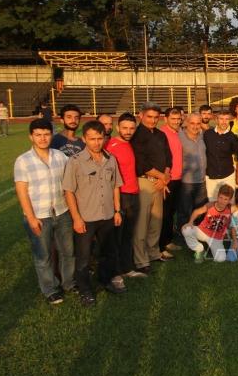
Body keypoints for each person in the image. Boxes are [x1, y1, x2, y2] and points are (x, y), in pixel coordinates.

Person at [14, 118, 75, 305]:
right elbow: (22, 192)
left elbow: (68, 185)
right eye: (38, 135)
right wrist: (31, 218)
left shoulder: (60, 157)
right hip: (39, 215)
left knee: (68, 252)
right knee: (44, 255)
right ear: (31, 137)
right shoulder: (23, 161)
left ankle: (69, 283)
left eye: (46, 134)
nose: (43, 138)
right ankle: (50, 289)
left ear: (52, 135)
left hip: (62, 211)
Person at [63, 120, 123, 306]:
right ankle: (85, 290)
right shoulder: (75, 162)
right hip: (86, 218)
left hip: (107, 215)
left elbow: (115, 186)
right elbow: (69, 191)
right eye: (92, 139)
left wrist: (117, 210)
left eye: (100, 138)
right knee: (83, 258)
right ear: (84, 139)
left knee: (108, 253)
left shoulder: (110, 159)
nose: (97, 142)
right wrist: (76, 218)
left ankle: (105, 281)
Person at [130, 101, 171, 275]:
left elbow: (169, 157)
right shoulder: (137, 135)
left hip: (161, 183)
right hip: (145, 182)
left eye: (156, 117)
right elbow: (141, 164)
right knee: (142, 224)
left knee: (156, 221)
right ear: (141, 116)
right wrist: (162, 177)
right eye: (149, 117)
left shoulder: (160, 135)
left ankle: (153, 252)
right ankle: (140, 260)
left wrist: (165, 177)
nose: (153, 120)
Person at [105, 113, 143, 281]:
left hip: (134, 193)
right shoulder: (111, 146)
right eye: (125, 128)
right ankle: (114, 272)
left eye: (131, 128)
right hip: (121, 196)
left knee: (128, 234)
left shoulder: (129, 144)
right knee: (116, 237)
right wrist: (115, 204)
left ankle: (127, 267)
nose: (128, 131)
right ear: (117, 128)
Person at [182, 184, 235, 263]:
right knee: (186, 229)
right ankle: (199, 249)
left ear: (229, 200)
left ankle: (211, 247)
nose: (222, 201)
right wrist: (190, 222)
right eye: (220, 197)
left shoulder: (231, 209)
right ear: (217, 196)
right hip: (202, 231)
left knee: (220, 259)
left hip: (216, 237)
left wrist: (234, 240)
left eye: (225, 199)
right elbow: (196, 212)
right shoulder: (210, 205)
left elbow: (233, 225)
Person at [157, 107, 183, 260]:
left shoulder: (178, 133)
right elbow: (161, 159)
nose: (176, 121)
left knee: (171, 213)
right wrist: (162, 179)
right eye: (173, 119)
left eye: (178, 119)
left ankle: (168, 241)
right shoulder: (162, 134)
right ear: (165, 119)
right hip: (167, 180)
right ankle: (160, 246)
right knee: (163, 215)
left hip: (178, 179)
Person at [177, 112, 207, 245]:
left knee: (200, 210)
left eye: (198, 123)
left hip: (201, 181)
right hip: (186, 182)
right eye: (192, 123)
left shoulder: (202, 136)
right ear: (186, 123)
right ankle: (183, 237)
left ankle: (198, 235)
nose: (195, 126)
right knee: (185, 211)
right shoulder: (179, 137)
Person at [202, 110, 238, 201]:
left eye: (226, 119)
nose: (224, 122)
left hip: (228, 176)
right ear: (216, 120)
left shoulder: (233, 137)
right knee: (212, 204)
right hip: (211, 176)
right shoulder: (207, 134)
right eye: (221, 119)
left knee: (229, 203)